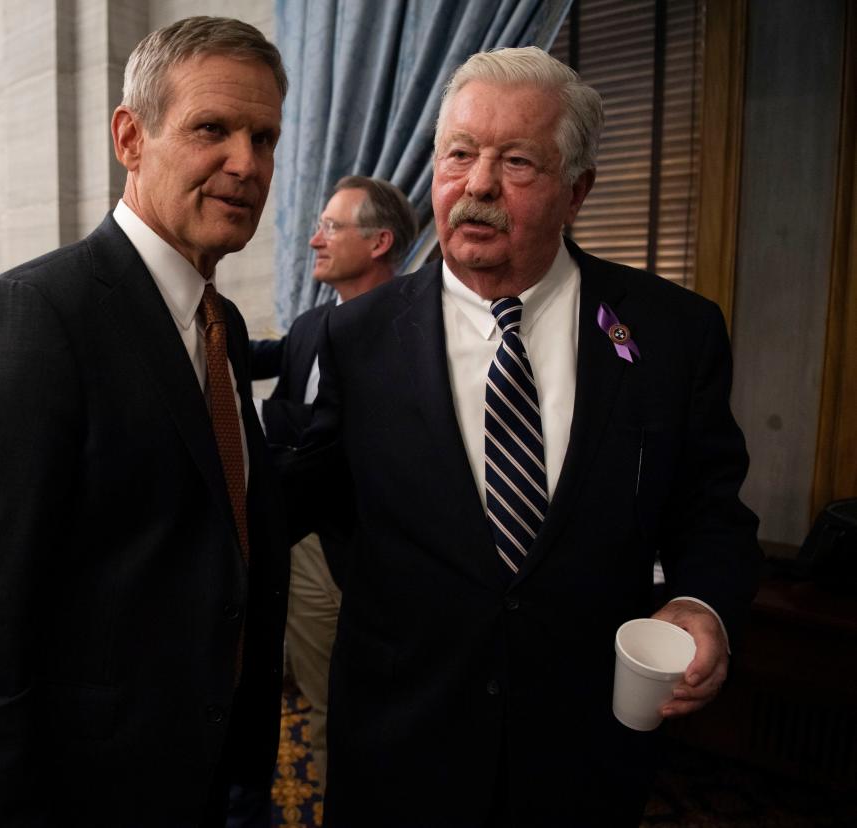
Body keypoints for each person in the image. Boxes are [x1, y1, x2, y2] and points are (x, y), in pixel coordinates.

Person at [299, 47, 762, 826]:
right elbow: (313, 507)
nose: (477, 184)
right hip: (401, 746)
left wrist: (700, 604)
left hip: (584, 754)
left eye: (516, 161)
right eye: (458, 154)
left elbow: (711, 509)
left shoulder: (672, 332)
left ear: (577, 190)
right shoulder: (352, 338)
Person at [0, 17, 291, 826]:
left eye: (264, 137)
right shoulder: (32, 321)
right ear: (130, 137)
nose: (246, 164)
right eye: (212, 129)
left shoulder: (222, 325)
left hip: (213, 777)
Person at [258, 176, 416, 793]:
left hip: (392, 557)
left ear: (378, 242)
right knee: (326, 702)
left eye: (330, 227)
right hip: (309, 550)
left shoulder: (421, 331)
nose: (314, 240)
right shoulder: (308, 327)